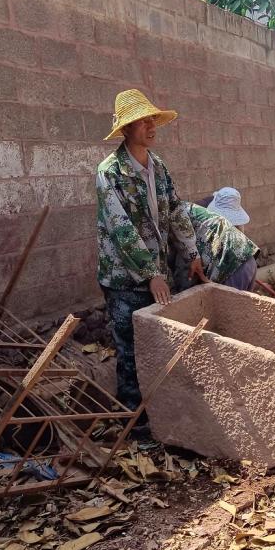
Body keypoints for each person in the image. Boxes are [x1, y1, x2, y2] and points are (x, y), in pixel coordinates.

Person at [96, 89, 205, 410]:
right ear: (126, 129)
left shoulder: (158, 166)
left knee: (156, 343)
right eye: (141, 122)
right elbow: (121, 230)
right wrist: (151, 274)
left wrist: (192, 253)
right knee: (129, 349)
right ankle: (134, 421)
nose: (150, 126)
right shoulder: (110, 172)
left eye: (151, 119)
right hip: (123, 279)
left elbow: (175, 210)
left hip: (156, 272)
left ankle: (158, 413)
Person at [171, 188, 259, 292]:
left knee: (229, 306)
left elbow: (186, 270)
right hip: (248, 260)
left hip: (233, 268)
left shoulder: (186, 222)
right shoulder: (195, 214)